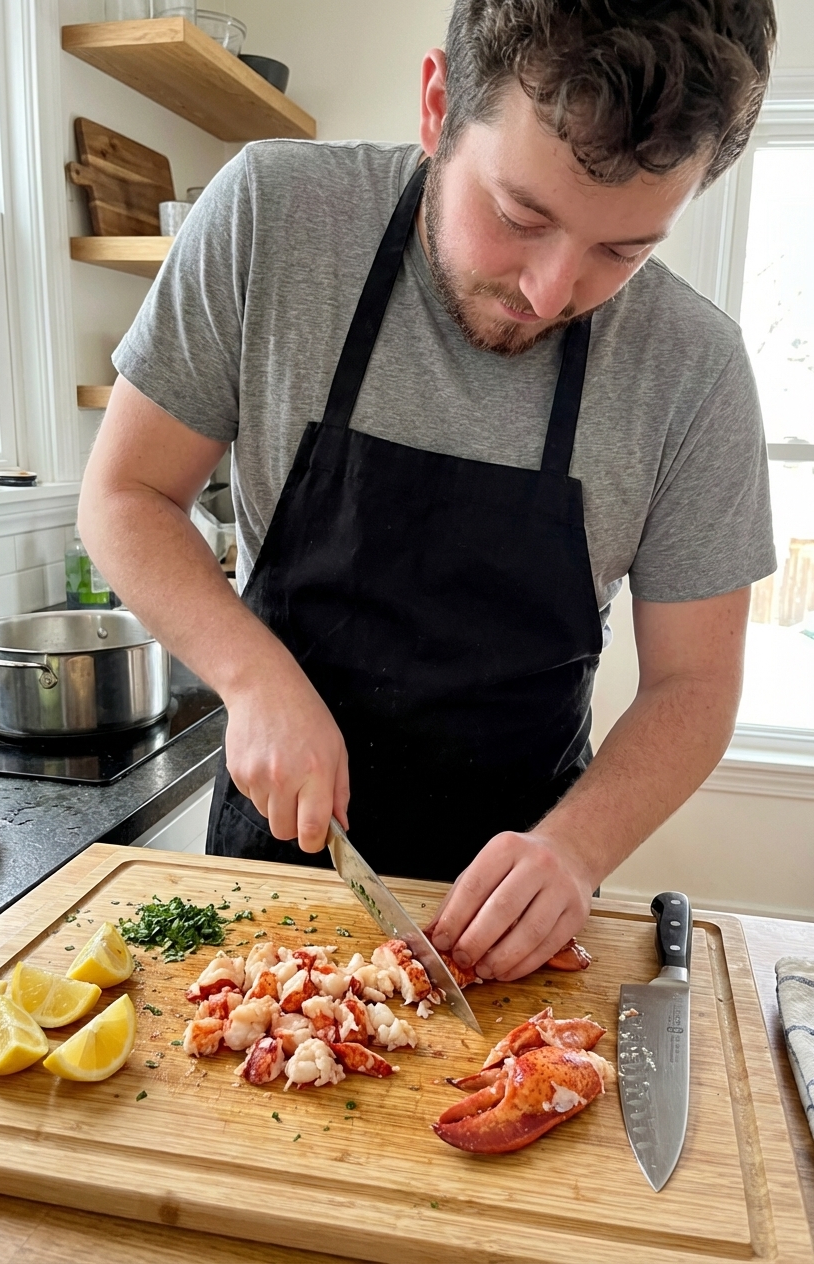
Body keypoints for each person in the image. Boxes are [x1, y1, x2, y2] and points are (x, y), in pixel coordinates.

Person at [79, 0, 778, 983]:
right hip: (277, 873)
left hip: (514, 912)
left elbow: (694, 684)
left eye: (623, 251)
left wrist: (577, 850)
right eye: (520, 217)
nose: (550, 292)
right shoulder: (273, 214)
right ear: (438, 106)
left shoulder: (695, 370)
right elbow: (125, 494)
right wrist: (251, 676)